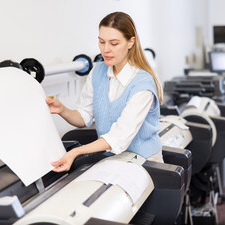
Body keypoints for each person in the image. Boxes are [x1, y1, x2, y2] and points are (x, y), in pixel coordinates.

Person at [46, 11, 164, 173]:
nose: (106, 49)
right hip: (113, 160)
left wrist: (76, 151)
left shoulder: (143, 84)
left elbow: (119, 136)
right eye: (102, 42)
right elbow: (84, 115)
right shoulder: (97, 72)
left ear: (131, 42)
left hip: (147, 164)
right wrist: (62, 110)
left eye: (114, 43)